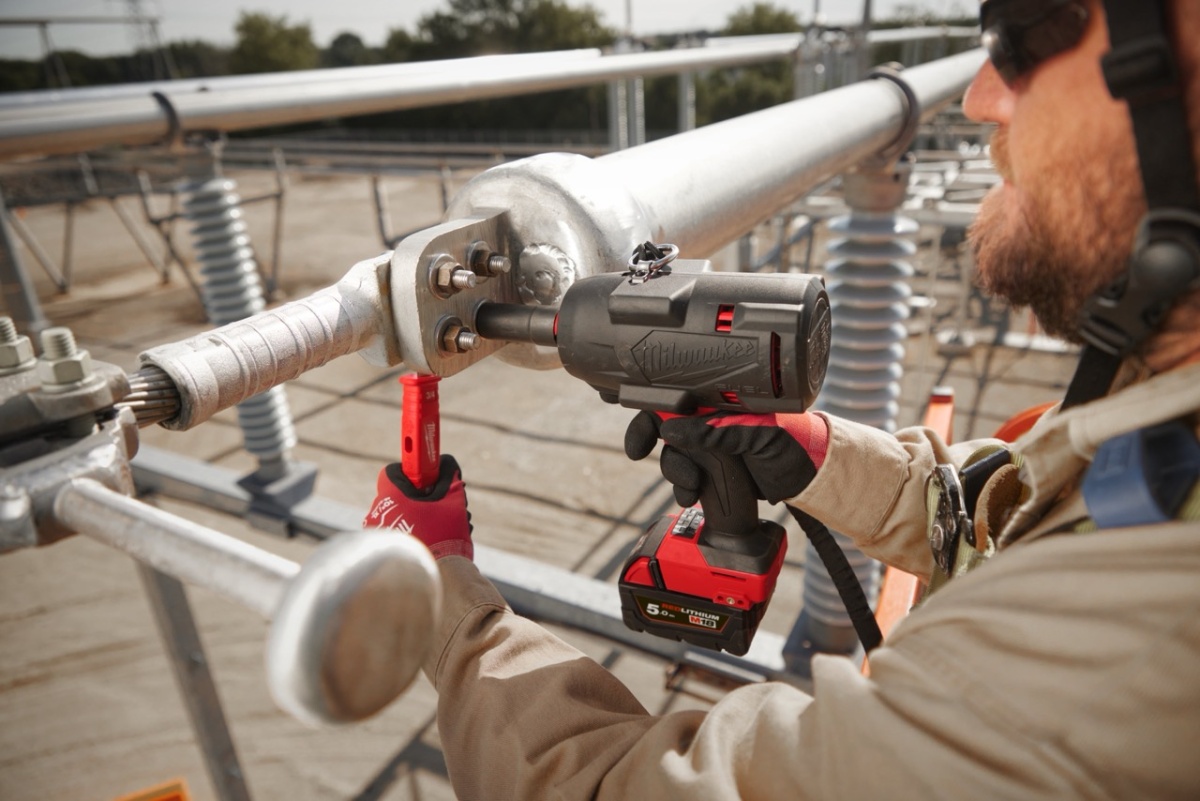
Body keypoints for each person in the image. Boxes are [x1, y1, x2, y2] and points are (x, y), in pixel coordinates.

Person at [364, 1, 1200, 797]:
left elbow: (615, 791)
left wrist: (444, 596)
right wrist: (822, 454)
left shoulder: (1106, 663)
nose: (981, 97)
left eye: (1025, 33)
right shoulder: (1161, 420)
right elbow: (997, 516)